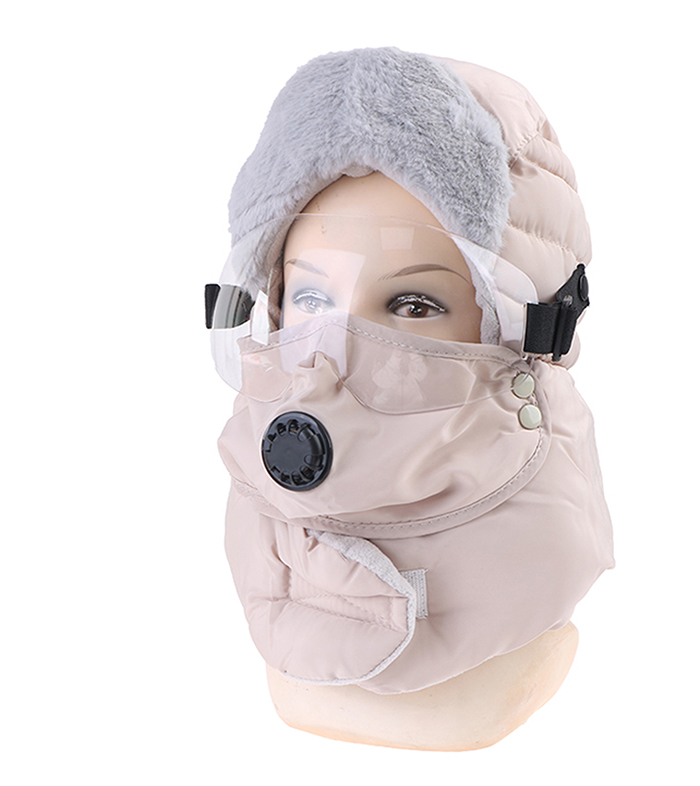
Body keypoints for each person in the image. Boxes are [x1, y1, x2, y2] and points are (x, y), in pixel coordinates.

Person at [207, 47, 613, 750]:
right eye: (310, 298)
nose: (338, 355)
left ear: (523, 328)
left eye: (414, 304)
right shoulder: (260, 502)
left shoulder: (537, 541)